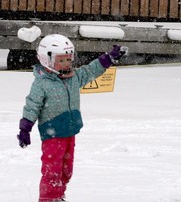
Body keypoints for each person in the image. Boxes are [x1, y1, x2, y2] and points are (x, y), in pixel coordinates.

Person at [17, 34, 127, 202]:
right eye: (61, 60)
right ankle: (49, 198)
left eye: (68, 59)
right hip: (52, 135)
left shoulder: (73, 77)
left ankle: (59, 195)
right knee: (52, 169)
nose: (66, 64)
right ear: (47, 60)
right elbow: (32, 105)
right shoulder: (42, 83)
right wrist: (25, 128)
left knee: (66, 170)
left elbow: (91, 70)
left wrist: (108, 58)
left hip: (70, 131)